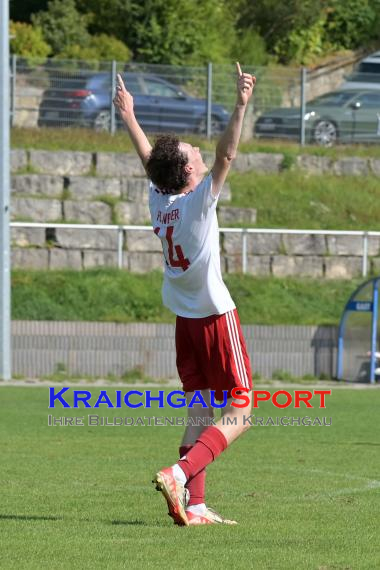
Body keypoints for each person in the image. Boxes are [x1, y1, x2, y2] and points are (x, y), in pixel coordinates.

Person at [113, 63, 256, 526]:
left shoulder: (161, 199)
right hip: (215, 316)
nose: (198, 149)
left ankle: (194, 506)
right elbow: (228, 153)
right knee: (242, 409)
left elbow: (149, 158)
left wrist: (130, 117)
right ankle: (179, 473)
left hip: (184, 322)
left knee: (199, 406)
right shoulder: (197, 201)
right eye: (193, 151)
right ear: (191, 171)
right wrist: (239, 105)